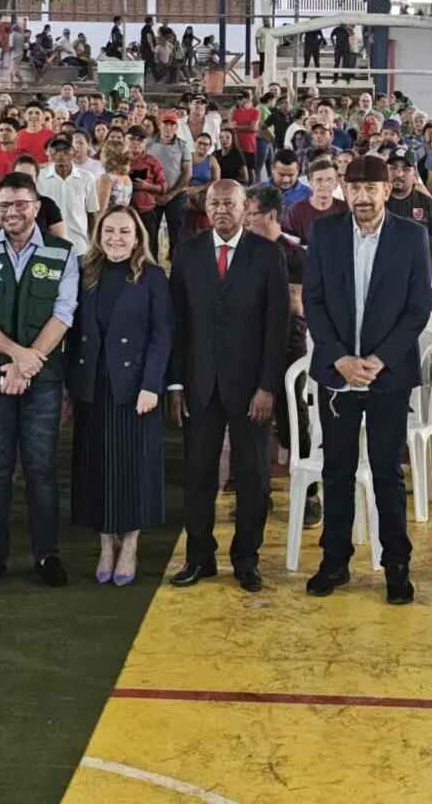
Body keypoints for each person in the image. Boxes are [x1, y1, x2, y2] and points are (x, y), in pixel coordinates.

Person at [301, 154, 432, 603]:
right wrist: (340, 358)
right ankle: (334, 561)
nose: (362, 196)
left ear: (386, 190)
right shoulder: (326, 233)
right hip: (337, 373)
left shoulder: (411, 236)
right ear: (345, 189)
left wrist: (379, 359)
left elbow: (418, 308)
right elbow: (314, 302)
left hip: (387, 375)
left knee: (386, 472)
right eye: (354, 188)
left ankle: (395, 563)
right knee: (336, 470)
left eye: (370, 188)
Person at [165, 180, 291, 592]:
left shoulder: (268, 254)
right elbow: (177, 323)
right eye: (214, 203)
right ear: (206, 208)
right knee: (199, 473)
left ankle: (246, 559)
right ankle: (199, 557)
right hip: (199, 386)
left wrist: (267, 387)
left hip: (251, 388)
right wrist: (176, 383)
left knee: (253, 476)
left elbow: (277, 327)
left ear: (245, 208)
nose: (221, 210)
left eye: (229, 204)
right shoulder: (187, 253)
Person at [0, 173, 81, 588]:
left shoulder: (63, 253)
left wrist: (27, 364)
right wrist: (15, 355)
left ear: (37, 207)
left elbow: (63, 313)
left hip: (42, 378)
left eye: (20, 204)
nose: (12, 212)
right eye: (4, 205)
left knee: (40, 468)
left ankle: (47, 555)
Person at [67, 205, 173, 585]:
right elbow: (69, 326)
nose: (116, 238)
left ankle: (129, 545)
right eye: (109, 231)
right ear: (98, 235)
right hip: (93, 383)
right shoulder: (83, 271)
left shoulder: (153, 277)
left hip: (135, 387)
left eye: (124, 231)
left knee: (133, 468)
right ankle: (105, 545)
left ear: (138, 236)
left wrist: (151, 385)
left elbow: (163, 334)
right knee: (97, 467)